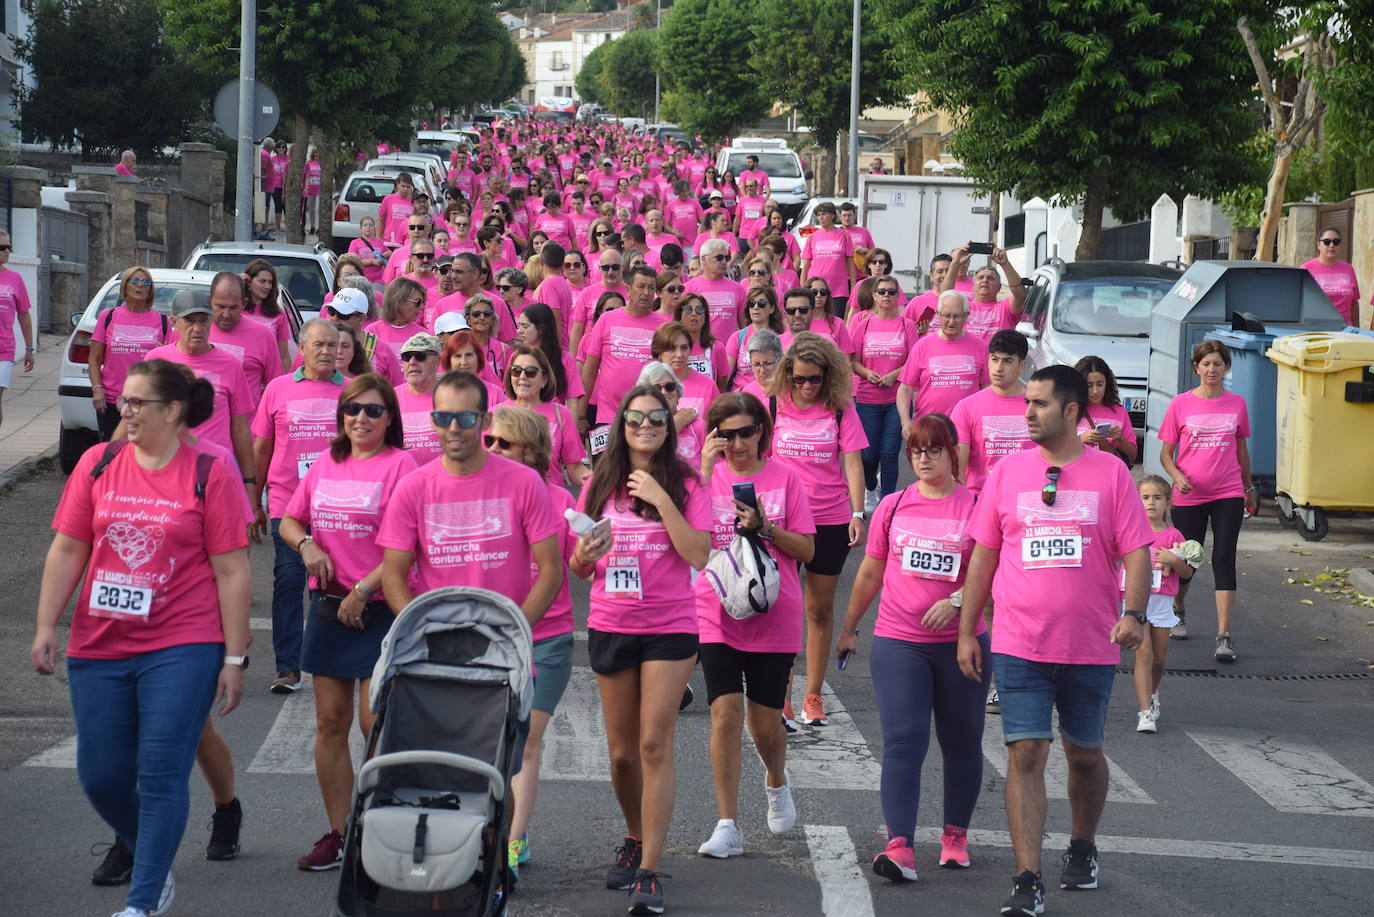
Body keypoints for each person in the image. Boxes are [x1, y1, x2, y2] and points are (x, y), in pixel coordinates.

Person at [31, 358, 251, 917]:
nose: (124, 410)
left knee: (159, 770)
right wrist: (45, 625)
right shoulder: (99, 462)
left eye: (136, 402)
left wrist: (234, 656)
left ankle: (147, 895)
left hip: (183, 642)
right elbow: (68, 547)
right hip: (99, 642)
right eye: (124, 401)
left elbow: (231, 570)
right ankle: (151, 847)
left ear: (173, 411)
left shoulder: (211, 468)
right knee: (101, 776)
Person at [955, 365, 1152, 917]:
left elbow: (1137, 549)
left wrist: (1134, 612)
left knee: (1083, 754)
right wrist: (968, 629)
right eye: (1027, 403)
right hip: (1019, 641)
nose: (1028, 412)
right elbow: (984, 557)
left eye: (1039, 404)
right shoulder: (1006, 472)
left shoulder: (1110, 474)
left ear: (1070, 411)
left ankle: (1083, 846)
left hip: (1090, 642)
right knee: (1026, 751)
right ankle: (1026, 878)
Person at [569, 385, 711, 915]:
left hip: (670, 626)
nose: (646, 426)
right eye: (635, 419)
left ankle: (650, 867)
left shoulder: (687, 481)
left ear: (669, 426)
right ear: (621, 425)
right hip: (612, 623)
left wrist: (662, 498)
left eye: (656, 418)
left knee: (654, 744)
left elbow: (700, 551)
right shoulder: (600, 482)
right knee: (622, 753)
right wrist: (585, 551)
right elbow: (580, 566)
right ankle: (635, 837)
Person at [837, 413, 988, 883]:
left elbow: (996, 574)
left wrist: (958, 600)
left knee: (962, 742)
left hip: (962, 645)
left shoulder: (978, 507)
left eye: (934, 450)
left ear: (953, 454)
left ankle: (954, 836)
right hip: (899, 642)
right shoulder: (895, 505)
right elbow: (869, 573)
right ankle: (899, 845)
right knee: (903, 742)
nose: (925, 458)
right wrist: (848, 626)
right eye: (917, 451)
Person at [279, 374, 416, 870]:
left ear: (390, 418)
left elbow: (406, 543)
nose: (361, 418)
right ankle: (340, 833)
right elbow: (291, 520)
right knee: (329, 723)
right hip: (330, 607)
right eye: (353, 409)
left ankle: (380, 828)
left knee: (372, 722)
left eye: (374, 410)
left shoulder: (403, 466)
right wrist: (307, 545)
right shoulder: (325, 463)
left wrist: (363, 590)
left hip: (380, 606)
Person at [694, 392, 814, 859]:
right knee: (725, 714)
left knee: (764, 726)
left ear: (762, 431)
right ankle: (728, 824)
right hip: (715, 609)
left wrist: (766, 527)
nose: (738, 442)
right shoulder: (703, 478)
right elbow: (687, 538)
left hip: (774, 613)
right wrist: (702, 475)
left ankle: (777, 780)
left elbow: (806, 551)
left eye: (747, 431)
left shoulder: (787, 478)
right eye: (727, 434)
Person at [481, 406, 577, 876]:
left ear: (533, 451)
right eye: (490, 442)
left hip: (548, 640)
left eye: (505, 443)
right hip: (489, 639)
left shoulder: (561, 502)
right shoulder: (479, 496)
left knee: (527, 742)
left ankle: (511, 843)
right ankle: (502, 825)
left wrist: (600, 546)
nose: (493, 450)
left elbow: (584, 565)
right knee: (491, 742)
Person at [768, 332, 868, 728]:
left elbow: (854, 463)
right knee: (785, 609)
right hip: (782, 521)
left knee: (818, 609)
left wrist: (857, 513)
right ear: (787, 375)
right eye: (799, 379)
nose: (807, 386)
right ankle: (782, 698)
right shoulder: (774, 404)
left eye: (815, 379)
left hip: (829, 519)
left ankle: (813, 694)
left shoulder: (840, 407)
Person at [250, 320, 345, 694]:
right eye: (318, 345)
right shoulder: (277, 389)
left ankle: (328, 661)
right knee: (288, 581)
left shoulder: (352, 391)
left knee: (327, 583)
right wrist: (254, 502)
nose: (326, 352)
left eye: (332, 345)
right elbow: (262, 449)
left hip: (337, 507)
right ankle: (287, 667)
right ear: (302, 349)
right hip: (287, 505)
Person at [1157, 340, 1256, 658]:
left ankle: (1224, 636)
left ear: (1227, 367)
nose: (1211, 369)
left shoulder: (1237, 404)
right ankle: (1178, 607)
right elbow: (1165, 453)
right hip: (1189, 495)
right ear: (1195, 368)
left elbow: (1241, 450)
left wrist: (1248, 488)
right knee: (1190, 559)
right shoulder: (1180, 404)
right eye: (1206, 364)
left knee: (1224, 558)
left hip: (1227, 491)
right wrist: (1176, 476)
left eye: (1218, 364)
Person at [146, 291, 256, 483]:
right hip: (165, 471)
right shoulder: (155, 361)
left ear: (212, 321)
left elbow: (240, 429)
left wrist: (249, 482)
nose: (197, 328)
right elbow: (140, 419)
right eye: (189, 321)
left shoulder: (230, 365)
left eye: (203, 321)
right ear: (174, 322)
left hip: (214, 472)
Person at [1130, 476, 1197, 734]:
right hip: (1135, 600)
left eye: (1157, 498)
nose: (1150, 503)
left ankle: (1152, 692)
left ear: (1168, 502)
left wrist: (1172, 558)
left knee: (1158, 659)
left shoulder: (1174, 535)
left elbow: (1187, 573)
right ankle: (1145, 712)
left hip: (1162, 601)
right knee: (1144, 655)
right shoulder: (1130, 530)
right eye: (1145, 498)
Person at [850, 275, 919, 509]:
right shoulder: (863, 325)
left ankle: (888, 504)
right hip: (868, 398)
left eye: (891, 291)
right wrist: (866, 373)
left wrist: (894, 376)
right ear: (874, 296)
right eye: (882, 291)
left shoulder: (906, 325)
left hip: (896, 399)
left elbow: (913, 360)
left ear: (897, 295)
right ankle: (870, 486)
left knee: (889, 453)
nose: (887, 295)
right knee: (868, 455)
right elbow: (853, 361)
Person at [88, 266, 171, 440]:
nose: (141, 285)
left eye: (146, 282)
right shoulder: (108, 317)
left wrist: (161, 355)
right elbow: (94, 359)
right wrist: (97, 389)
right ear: (125, 287)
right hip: (112, 401)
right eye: (135, 281)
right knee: (111, 456)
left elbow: (171, 365)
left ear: (150, 291)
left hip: (147, 402)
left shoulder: (163, 322)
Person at [581, 265, 669, 426]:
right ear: (628, 290)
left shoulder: (664, 327)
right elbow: (590, 369)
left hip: (647, 418)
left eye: (651, 288)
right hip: (608, 417)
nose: (646, 292)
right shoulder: (606, 319)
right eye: (641, 287)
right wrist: (581, 413)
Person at [951, 330, 1035, 495]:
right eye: (994, 359)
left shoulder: (1038, 406)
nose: (999, 368)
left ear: (1022, 365)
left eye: (1007, 361)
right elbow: (957, 466)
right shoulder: (966, 408)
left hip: (1026, 498)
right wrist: (966, 504)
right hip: (980, 499)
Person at [896, 291, 989, 440]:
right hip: (929, 428)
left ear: (966, 315)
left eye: (957, 316)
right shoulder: (922, 345)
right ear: (938, 314)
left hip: (967, 430)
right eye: (946, 315)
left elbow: (987, 389)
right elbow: (905, 389)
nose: (951, 321)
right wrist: (905, 421)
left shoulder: (980, 347)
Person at [503, 344, 589, 486]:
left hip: (550, 502)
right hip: (509, 502)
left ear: (544, 379)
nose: (522, 377)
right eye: (516, 371)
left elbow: (575, 468)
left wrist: (593, 482)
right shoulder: (495, 415)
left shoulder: (561, 415)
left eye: (530, 372)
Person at [207, 271, 284, 406]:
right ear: (209, 300)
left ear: (244, 303)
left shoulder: (263, 336)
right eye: (220, 306)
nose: (226, 314)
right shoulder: (194, 331)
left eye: (233, 308)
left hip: (249, 425)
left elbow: (276, 387)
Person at [936, 244, 1027, 340]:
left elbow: (1020, 296)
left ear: (999, 287)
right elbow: (944, 297)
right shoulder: (964, 307)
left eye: (990, 278)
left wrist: (1005, 264)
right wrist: (955, 264)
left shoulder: (1005, 308)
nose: (985, 280)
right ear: (973, 286)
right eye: (980, 277)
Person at [1075, 355, 1138, 465]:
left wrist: (1120, 438)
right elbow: (1056, 447)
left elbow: (1132, 457)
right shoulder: (1071, 410)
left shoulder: (1119, 412)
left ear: (1107, 383)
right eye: (1089, 385)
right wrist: (1082, 439)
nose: (1095, 391)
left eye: (1100, 384)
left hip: (1110, 477)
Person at [393, 332, 445, 464]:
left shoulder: (453, 397)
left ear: (437, 362)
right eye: (407, 357)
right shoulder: (390, 398)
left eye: (420, 356)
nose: (412, 362)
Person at [685, 238, 746, 343]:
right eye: (719, 257)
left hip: (729, 353)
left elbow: (743, 326)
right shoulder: (688, 288)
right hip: (699, 352)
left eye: (727, 257)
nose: (724, 262)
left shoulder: (738, 288)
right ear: (704, 259)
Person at [801, 202, 857, 313]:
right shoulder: (812, 237)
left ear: (832, 215)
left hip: (838, 289)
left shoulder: (844, 235)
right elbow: (805, 265)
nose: (821, 217)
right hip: (815, 288)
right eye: (818, 215)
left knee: (836, 322)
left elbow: (850, 263)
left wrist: (853, 288)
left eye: (824, 214)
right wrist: (803, 288)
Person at [1301, 227, 1360, 326]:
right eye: (1327, 241)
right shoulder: (1306, 269)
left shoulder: (1348, 269)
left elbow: (1354, 304)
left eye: (1336, 242)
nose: (1332, 245)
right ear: (1319, 245)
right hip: (1316, 329)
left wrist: (1357, 330)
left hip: (1345, 330)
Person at [241, 259, 291, 372]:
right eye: (262, 281)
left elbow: (284, 356)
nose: (267, 286)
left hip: (268, 378)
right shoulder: (237, 310)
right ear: (249, 282)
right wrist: (237, 282)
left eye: (270, 282)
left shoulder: (278, 314)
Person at [365, 277, 428, 367]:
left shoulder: (423, 335)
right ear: (400, 302)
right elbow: (364, 367)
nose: (422, 307)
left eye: (423, 302)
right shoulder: (372, 332)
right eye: (417, 302)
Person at [676, 293, 729, 391]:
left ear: (705, 318)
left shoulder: (717, 347)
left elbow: (721, 387)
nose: (694, 313)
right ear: (679, 316)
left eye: (699, 310)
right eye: (688, 309)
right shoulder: (670, 347)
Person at [348, 216, 388, 286]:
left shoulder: (380, 242)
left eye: (371, 225)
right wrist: (371, 262)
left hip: (378, 279)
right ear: (361, 228)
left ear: (374, 228)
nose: (368, 227)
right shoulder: (355, 243)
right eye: (365, 225)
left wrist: (387, 254)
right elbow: (352, 261)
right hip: (360, 280)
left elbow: (389, 254)